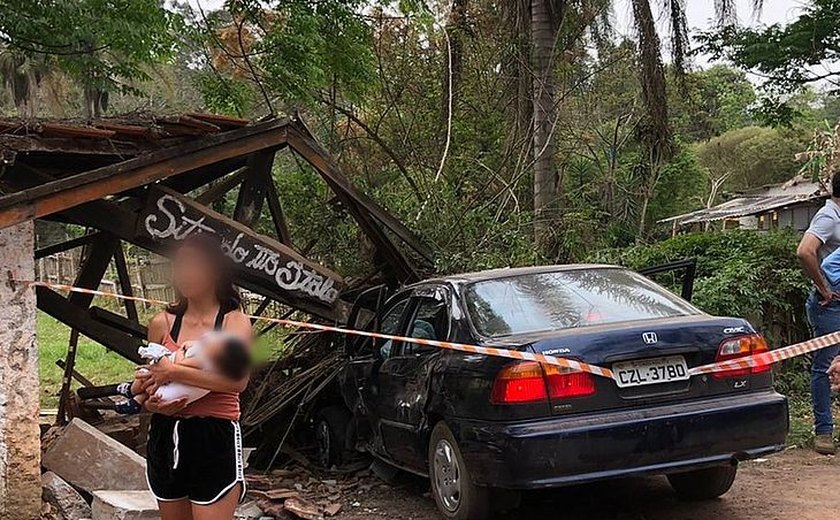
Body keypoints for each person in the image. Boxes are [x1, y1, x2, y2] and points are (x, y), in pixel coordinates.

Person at [141, 234, 253, 520]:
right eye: (180, 266)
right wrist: (150, 403)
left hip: (214, 437)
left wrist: (175, 371)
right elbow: (144, 384)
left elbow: (238, 382)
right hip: (166, 435)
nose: (185, 274)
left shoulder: (233, 322)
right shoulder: (162, 323)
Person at [797, 169, 840, 455]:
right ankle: (823, 432)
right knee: (826, 367)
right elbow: (805, 251)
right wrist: (824, 288)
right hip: (830, 305)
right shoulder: (828, 217)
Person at [114, 333, 251, 415]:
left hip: (210, 422)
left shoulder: (205, 360)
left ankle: (131, 390)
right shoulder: (161, 321)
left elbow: (178, 366)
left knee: (147, 376)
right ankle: (137, 400)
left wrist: (178, 354)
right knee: (149, 377)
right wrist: (150, 406)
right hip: (167, 413)